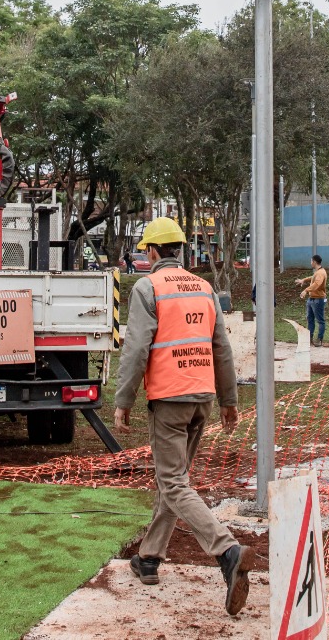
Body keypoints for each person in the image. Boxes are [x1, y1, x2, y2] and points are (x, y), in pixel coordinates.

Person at [113, 217, 251, 616]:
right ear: (181, 250)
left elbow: (136, 348)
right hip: (202, 398)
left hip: (170, 399)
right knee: (174, 480)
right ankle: (150, 558)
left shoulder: (147, 286)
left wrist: (123, 400)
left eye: (145, 250)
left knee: (173, 482)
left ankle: (226, 550)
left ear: (153, 252)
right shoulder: (204, 287)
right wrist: (229, 400)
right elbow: (221, 347)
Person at [297, 253, 327, 345]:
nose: (310, 263)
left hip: (318, 300)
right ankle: (309, 339)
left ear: (314, 262)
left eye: (311, 261)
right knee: (310, 319)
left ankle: (319, 339)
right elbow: (313, 278)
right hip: (311, 299)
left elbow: (317, 284)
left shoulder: (321, 273)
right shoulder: (317, 272)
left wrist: (306, 290)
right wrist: (304, 280)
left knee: (320, 320)